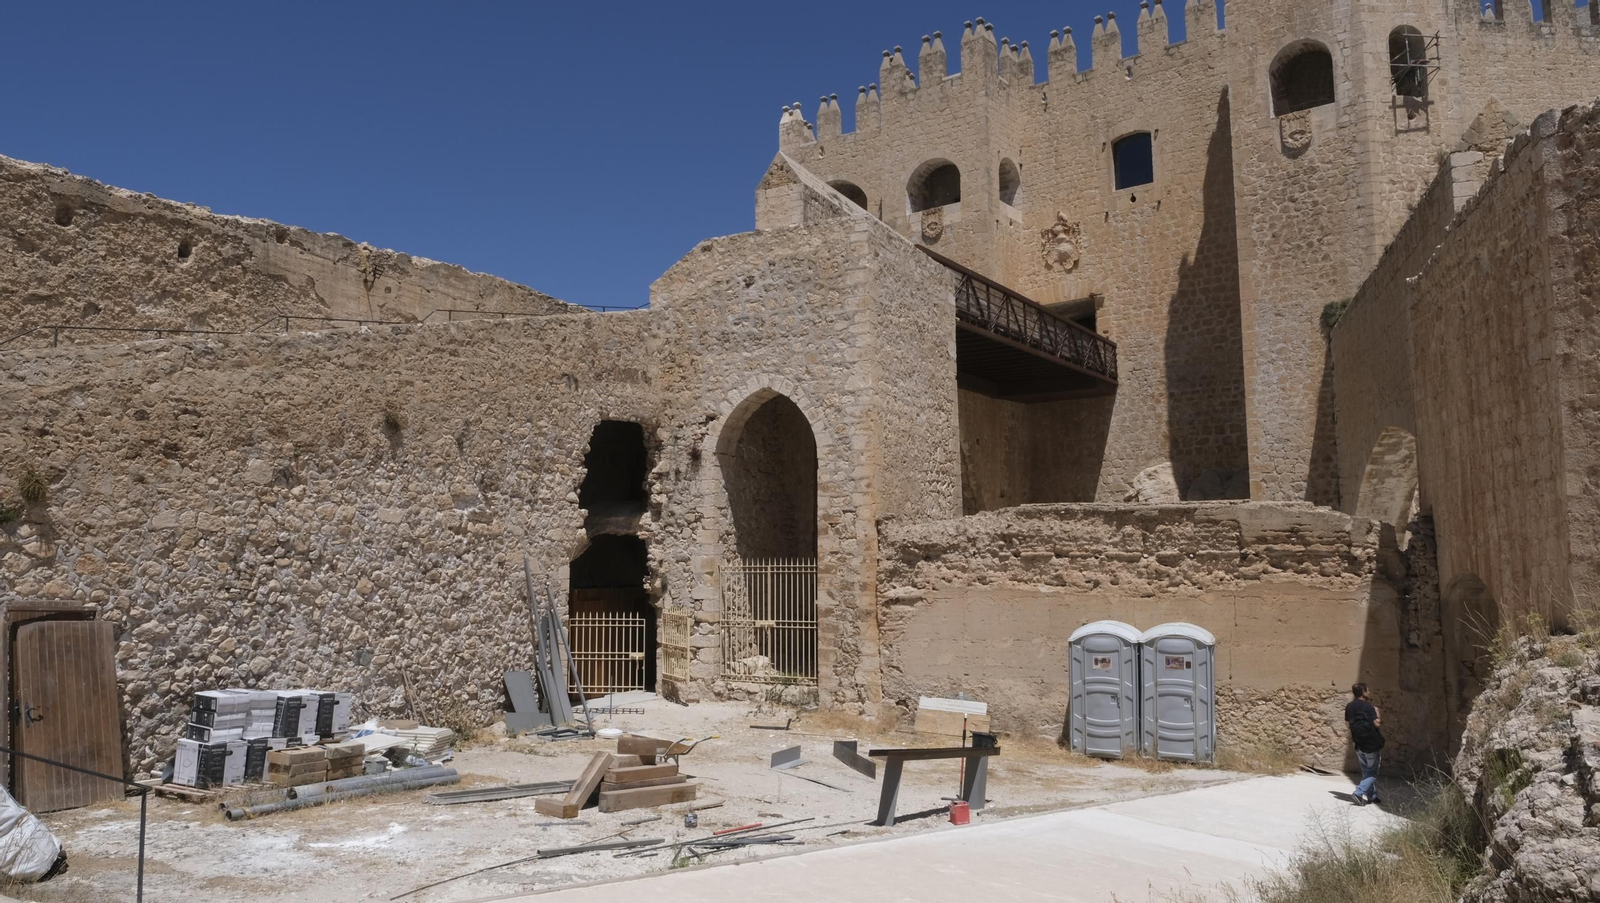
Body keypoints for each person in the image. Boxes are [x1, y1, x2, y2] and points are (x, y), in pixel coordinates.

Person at [1344, 682, 1384, 805]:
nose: (1369, 692)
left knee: (1366, 771)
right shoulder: (1369, 707)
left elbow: (1347, 724)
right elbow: (1377, 724)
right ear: (1363, 692)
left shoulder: (1349, 706)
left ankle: (1372, 796)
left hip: (1358, 743)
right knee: (1372, 772)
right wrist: (1377, 712)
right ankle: (1358, 793)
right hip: (1370, 744)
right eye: (1368, 690)